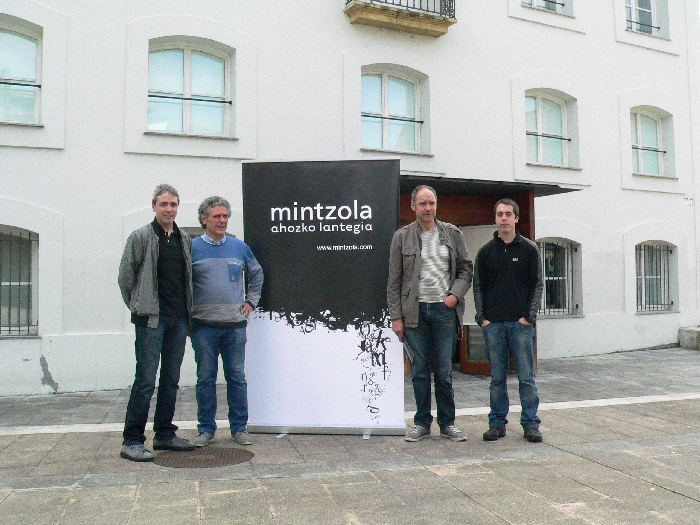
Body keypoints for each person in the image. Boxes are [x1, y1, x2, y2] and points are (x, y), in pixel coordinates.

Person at [387, 185, 473, 442]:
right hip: (413, 313)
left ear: (436, 205)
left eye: (431, 203)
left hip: (443, 311)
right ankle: (422, 423)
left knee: (444, 372)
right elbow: (394, 281)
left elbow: (466, 270)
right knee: (420, 372)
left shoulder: (453, 234)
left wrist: (454, 296)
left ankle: (448, 423)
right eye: (423, 203)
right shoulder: (401, 237)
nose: (428, 208)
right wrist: (396, 317)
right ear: (413, 206)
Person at [118, 184, 194, 462]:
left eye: (173, 204)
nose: (168, 209)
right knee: (145, 381)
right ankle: (132, 441)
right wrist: (139, 306)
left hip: (178, 320)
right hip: (151, 320)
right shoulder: (140, 237)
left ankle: (164, 434)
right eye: (163, 204)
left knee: (171, 380)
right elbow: (125, 279)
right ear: (154, 206)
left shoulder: (184, 239)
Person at [190, 196, 263, 447]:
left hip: (234, 326)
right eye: (217, 216)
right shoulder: (191, 248)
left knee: (237, 378)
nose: (222, 220)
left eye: (225, 216)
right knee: (205, 379)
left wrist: (251, 301)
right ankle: (205, 430)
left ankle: (239, 429)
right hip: (203, 326)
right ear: (204, 219)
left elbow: (257, 274)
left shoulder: (239, 247)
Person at [473, 198, 544, 443]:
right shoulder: (485, 252)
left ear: (516, 218)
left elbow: (537, 285)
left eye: (508, 214)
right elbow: (478, 286)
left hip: (520, 325)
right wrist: (482, 317)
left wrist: (529, 317)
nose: (504, 218)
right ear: (495, 219)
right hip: (493, 325)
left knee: (526, 378)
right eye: (500, 214)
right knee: (497, 379)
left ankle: (531, 424)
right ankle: (497, 424)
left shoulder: (529, 249)